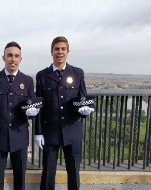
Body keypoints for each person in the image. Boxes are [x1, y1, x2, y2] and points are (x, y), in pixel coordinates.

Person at [35, 36, 94, 190]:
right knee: (48, 171)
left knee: (73, 171)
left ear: (68, 52)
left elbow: (82, 99)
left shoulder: (78, 73)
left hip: (72, 130)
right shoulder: (42, 75)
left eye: (62, 49)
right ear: (51, 52)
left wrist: (83, 112)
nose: (59, 52)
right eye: (56, 49)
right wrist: (38, 132)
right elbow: (39, 106)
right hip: (50, 131)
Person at [0, 41, 39, 190]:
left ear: (20, 59)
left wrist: (31, 113)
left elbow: (31, 105)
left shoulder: (27, 81)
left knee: (20, 179)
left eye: (16, 56)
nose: (13, 59)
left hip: (19, 136)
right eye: (10, 55)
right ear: (4, 58)